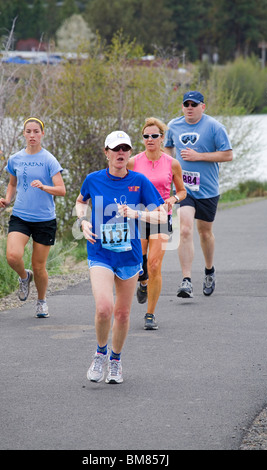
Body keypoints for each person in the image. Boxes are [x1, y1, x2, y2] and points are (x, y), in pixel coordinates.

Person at [75, 130, 166, 384]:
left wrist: (137, 214)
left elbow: (162, 216)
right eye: (116, 149)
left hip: (129, 255)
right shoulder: (93, 179)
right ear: (106, 152)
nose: (121, 153)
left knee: (123, 314)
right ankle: (100, 354)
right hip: (100, 252)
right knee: (104, 308)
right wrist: (82, 221)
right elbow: (80, 202)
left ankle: (115, 360)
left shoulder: (139, 181)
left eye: (125, 149)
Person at [164, 90, 233, 298]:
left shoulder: (214, 127)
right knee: (184, 230)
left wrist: (198, 156)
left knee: (204, 233)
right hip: (184, 190)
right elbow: (167, 150)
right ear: (182, 107)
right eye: (186, 104)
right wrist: (168, 171)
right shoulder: (173, 126)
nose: (190, 108)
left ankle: (209, 270)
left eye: (194, 104)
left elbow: (228, 154)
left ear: (203, 106)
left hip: (208, 190)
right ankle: (186, 280)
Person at [0, 117, 66, 318]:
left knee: (39, 266)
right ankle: (24, 276)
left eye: (36, 131)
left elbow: (61, 190)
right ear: (24, 134)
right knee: (13, 256)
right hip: (21, 216)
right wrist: (7, 199)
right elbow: (12, 183)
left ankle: (41, 301)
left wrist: (45, 187)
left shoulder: (49, 160)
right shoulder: (15, 159)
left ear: (42, 134)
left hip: (44, 219)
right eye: (29, 131)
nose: (32, 135)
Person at [127, 117, 186, 330]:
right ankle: (142, 282)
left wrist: (173, 199)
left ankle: (150, 313)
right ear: (142, 139)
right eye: (146, 136)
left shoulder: (173, 163)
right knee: (139, 266)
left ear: (162, 138)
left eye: (154, 136)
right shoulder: (133, 162)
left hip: (161, 217)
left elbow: (182, 191)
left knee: (154, 265)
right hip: (138, 217)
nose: (150, 139)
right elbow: (125, 185)